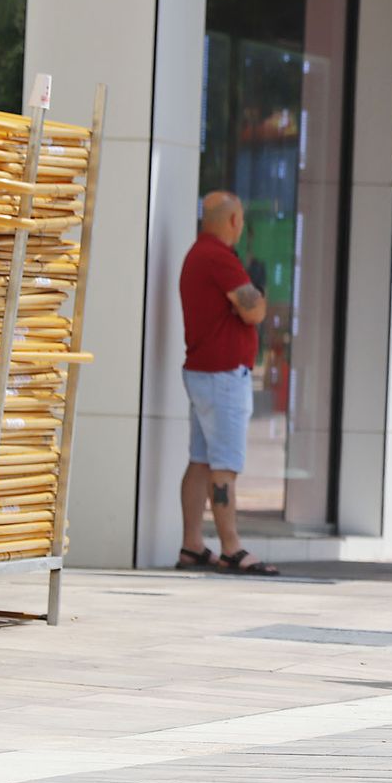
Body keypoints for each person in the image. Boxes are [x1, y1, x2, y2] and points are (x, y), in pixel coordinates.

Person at [176, 191, 277, 575]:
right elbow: (253, 310)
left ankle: (192, 545)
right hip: (222, 377)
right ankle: (231, 546)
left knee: (201, 461)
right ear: (233, 220)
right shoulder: (218, 257)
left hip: (205, 371)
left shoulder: (198, 255)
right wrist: (258, 301)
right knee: (224, 466)